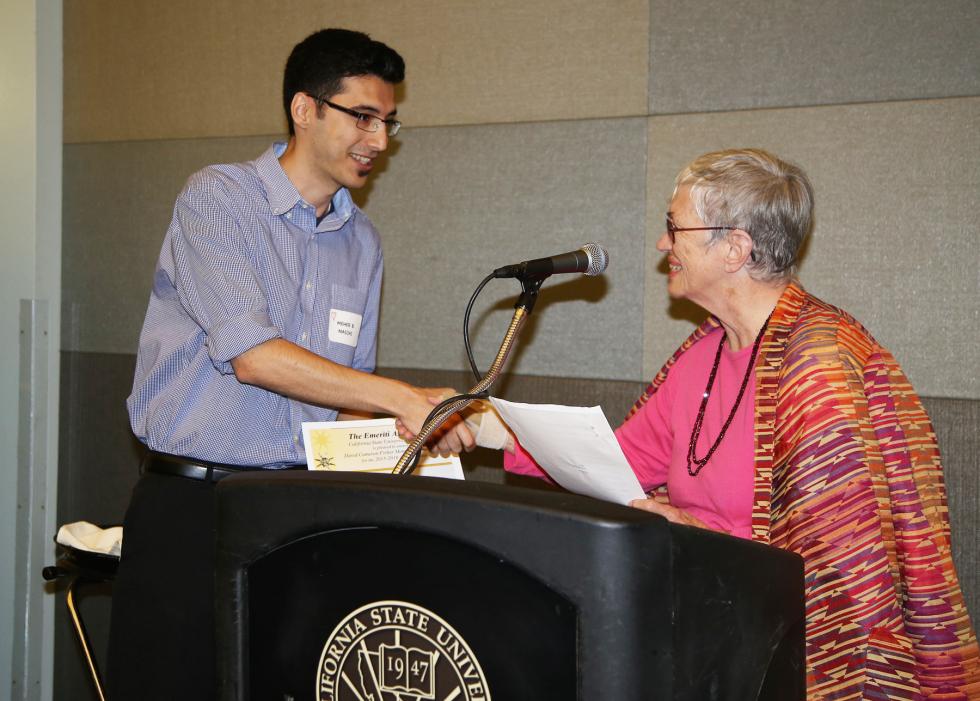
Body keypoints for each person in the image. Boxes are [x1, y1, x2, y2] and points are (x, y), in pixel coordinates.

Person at [471, 149, 980, 698]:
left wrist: (703, 539)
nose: (664, 244)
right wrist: (486, 429)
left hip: (789, 662)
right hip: (699, 628)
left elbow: (840, 577)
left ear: (735, 248)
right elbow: (615, 466)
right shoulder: (705, 349)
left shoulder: (821, 373)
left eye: (674, 227)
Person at [108, 28, 472, 699]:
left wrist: (415, 429)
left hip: (294, 510)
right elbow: (253, 356)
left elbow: (347, 401)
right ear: (305, 109)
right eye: (362, 116)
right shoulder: (218, 200)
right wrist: (401, 395)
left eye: (388, 122)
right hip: (193, 505)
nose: (379, 141)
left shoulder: (362, 241)